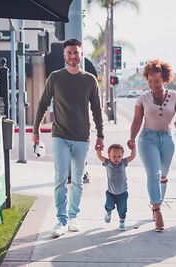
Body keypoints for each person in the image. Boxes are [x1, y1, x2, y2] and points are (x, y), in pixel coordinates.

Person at [32, 38, 104, 238]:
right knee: (60, 179)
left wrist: (100, 135)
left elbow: (97, 110)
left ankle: (73, 217)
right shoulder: (55, 77)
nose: (73, 55)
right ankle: (61, 220)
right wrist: (35, 130)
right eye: (69, 52)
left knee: (78, 181)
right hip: (60, 136)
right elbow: (42, 103)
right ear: (65, 55)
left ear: (81, 54)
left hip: (82, 137)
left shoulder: (89, 79)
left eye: (76, 52)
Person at [127, 59, 176, 232]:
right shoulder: (142, 99)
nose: (153, 84)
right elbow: (137, 120)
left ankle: (157, 202)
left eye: (157, 81)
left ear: (165, 79)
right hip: (147, 139)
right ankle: (157, 210)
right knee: (154, 174)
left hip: (168, 139)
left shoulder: (175, 96)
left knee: (163, 176)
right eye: (150, 81)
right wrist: (131, 137)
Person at [96, 144, 136, 231]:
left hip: (122, 193)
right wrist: (99, 149)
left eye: (119, 156)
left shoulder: (123, 162)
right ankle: (108, 213)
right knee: (109, 206)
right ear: (109, 156)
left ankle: (122, 223)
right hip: (111, 192)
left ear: (122, 156)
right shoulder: (107, 163)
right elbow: (99, 156)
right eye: (114, 156)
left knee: (122, 208)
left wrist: (133, 148)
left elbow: (132, 156)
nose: (116, 158)